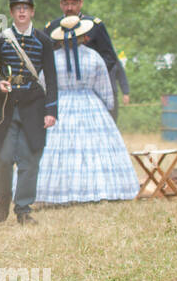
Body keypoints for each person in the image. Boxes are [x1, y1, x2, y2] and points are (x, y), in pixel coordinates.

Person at [36, 17, 140, 204]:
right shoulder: (93, 57)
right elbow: (104, 87)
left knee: (60, 149)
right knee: (94, 149)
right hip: (90, 104)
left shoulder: (51, 59)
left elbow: (44, 85)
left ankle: (59, 191)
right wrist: (107, 106)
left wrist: (46, 106)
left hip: (61, 105)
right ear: (83, 37)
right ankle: (98, 188)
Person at [0, 0, 58, 224]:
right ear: (11, 12)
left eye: (26, 8)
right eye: (17, 8)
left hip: (33, 107)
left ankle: (23, 209)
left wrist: (51, 111)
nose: (22, 11)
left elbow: (52, 79)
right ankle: (4, 196)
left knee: (30, 159)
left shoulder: (43, 40)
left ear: (32, 11)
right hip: (5, 106)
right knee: (3, 159)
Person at [46, 0, 129, 123]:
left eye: (73, 3)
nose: (70, 8)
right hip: (63, 91)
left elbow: (109, 57)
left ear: (81, 3)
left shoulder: (95, 25)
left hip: (94, 87)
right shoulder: (52, 28)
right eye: (66, 3)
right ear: (61, 4)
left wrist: (93, 73)